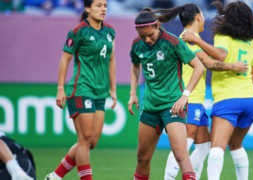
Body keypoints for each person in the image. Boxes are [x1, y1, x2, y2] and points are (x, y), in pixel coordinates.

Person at [155, 3, 249, 180]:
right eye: (203, 15)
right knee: (183, 146)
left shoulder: (182, 39)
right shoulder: (190, 41)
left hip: (193, 101)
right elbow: (210, 63)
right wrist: (234, 66)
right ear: (198, 17)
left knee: (204, 146)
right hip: (188, 101)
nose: (205, 18)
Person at [181, 1, 253, 179]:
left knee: (217, 147)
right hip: (251, 99)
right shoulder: (251, 43)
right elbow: (252, 76)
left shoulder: (223, 36)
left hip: (228, 99)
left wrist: (196, 39)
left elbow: (220, 56)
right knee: (236, 145)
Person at [127, 7, 205, 180]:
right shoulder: (136, 45)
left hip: (172, 106)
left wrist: (185, 95)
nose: (147, 40)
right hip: (150, 107)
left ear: (158, 26)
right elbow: (135, 66)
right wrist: (133, 93)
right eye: (142, 36)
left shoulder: (172, 42)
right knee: (142, 157)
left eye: (150, 35)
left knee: (180, 154)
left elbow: (199, 66)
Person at [45, 0, 117, 179]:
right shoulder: (78, 31)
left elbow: (111, 60)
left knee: (92, 141)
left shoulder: (110, 31)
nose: (103, 9)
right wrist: (60, 88)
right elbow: (65, 60)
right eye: (98, 5)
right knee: (84, 140)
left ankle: (55, 175)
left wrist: (113, 88)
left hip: (101, 92)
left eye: (105, 5)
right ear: (87, 8)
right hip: (81, 89)